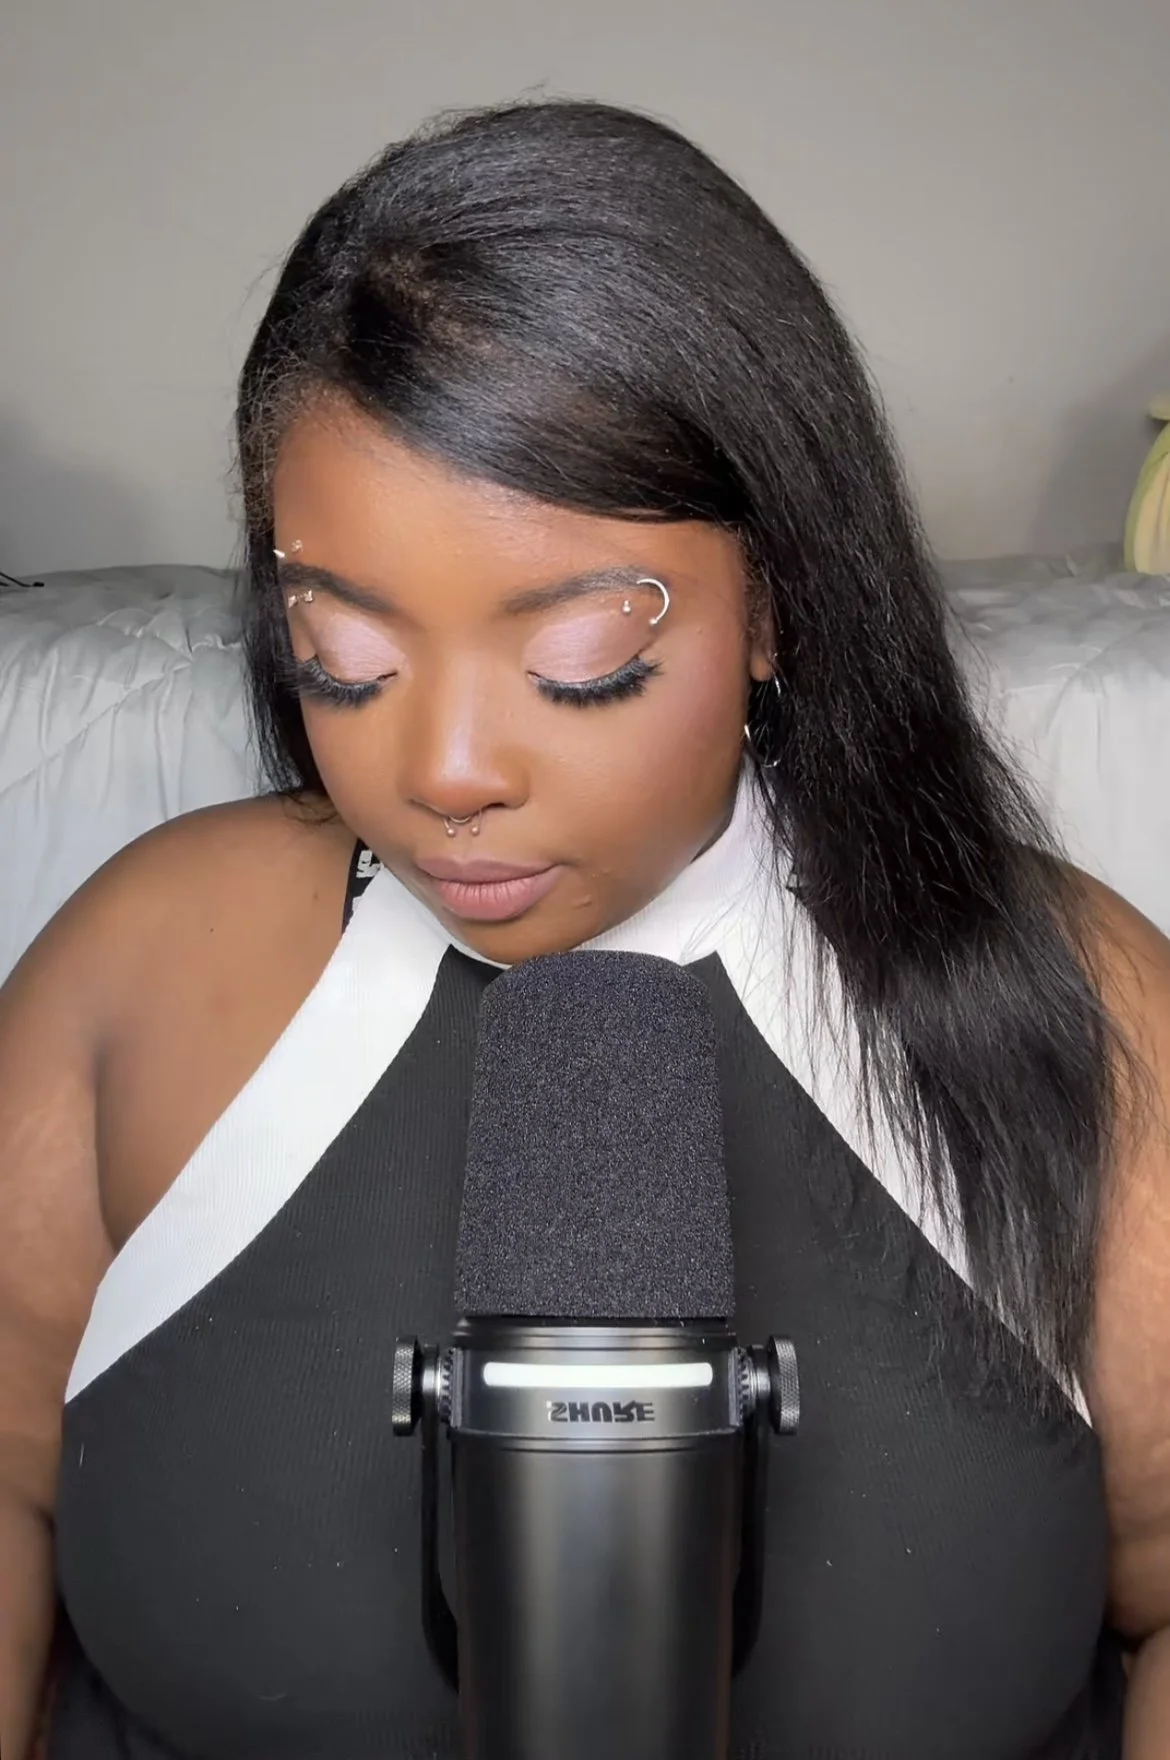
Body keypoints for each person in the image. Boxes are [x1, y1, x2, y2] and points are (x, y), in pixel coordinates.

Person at [1, 98, 1169, 1760]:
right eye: (344, 656)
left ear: (774, 603)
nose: (444, 772)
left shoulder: (1075, 1002)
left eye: (578, 660)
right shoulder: (147, 958)